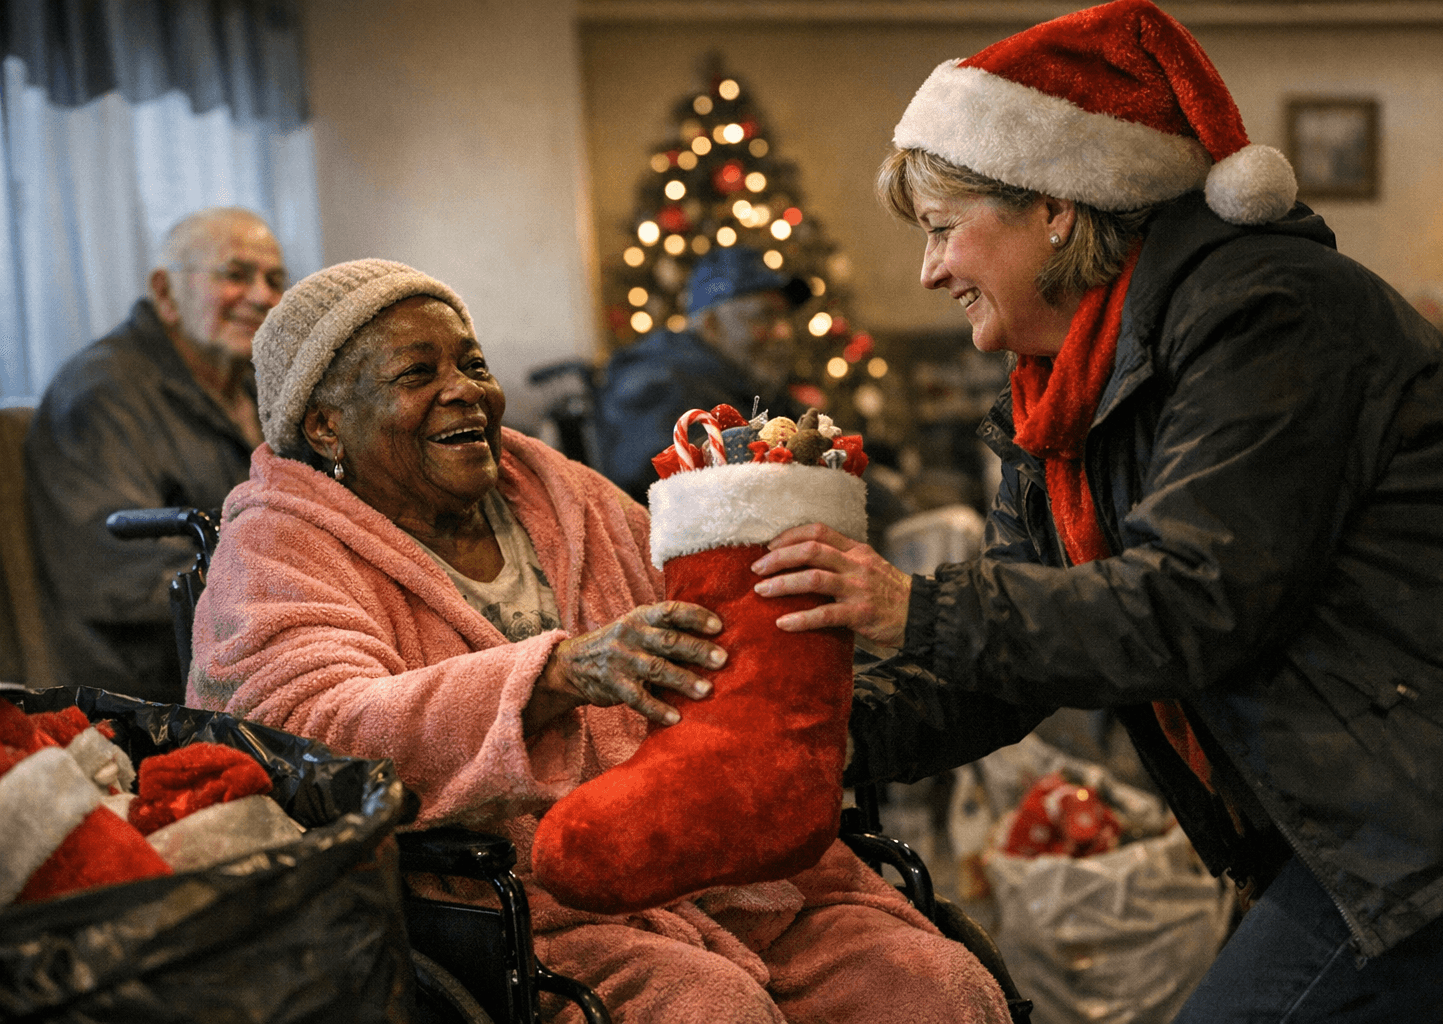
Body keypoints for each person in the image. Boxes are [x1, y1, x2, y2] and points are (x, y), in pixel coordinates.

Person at [751, 2, 1443, 1020]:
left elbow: (1196, 601)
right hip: (1388, 805)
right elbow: (1016, 646)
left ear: (1057, 209)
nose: (929, 269)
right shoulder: (1060, 395)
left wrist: (918, 606)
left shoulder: (1264, 313)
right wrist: (822, 738)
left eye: (945, 230)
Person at [185, 258, 1010, 1024]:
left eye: (472, 365)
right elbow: (307, 731)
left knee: (935, 986)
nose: (466, 391)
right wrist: (558, 673)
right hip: (510, 904)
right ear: (326, 427)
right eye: (418, 374)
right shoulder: (278, 546)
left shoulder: (562, 493)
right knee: (709, 1010)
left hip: (704, 856)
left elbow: (711, 630)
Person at [25, 207, 285, 700]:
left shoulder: (254, 384)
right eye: (235, 275)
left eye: (275, 279)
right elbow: (117, 571)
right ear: (165, 292)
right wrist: (290, 579)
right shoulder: (102, 391)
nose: (262, 297)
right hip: (146, 693)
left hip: (245, 652)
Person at [593, 245, 807, 502]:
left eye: (784, 318)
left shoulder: (746, 385)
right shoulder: (658, 382)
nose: (784, 334)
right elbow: (662, 486)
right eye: (763, 317)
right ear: (711, 326)